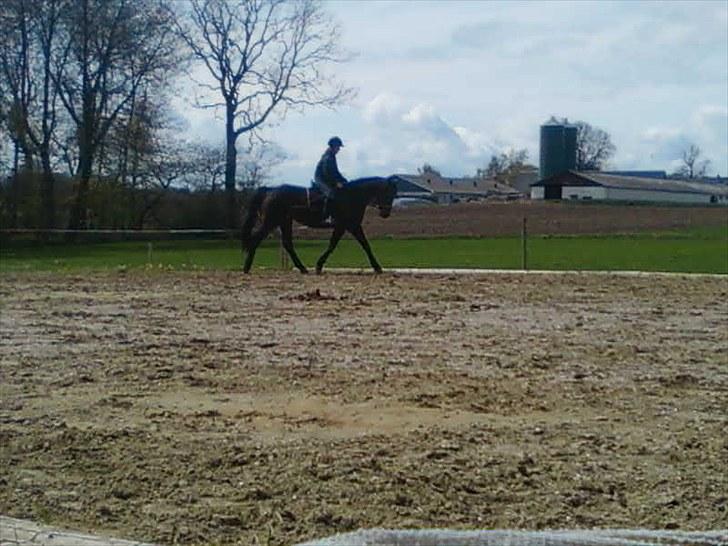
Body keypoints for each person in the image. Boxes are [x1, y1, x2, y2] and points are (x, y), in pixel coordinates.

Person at [313, 136, 347, 221]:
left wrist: (345, 181)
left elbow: (336, 173)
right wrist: (336, 183)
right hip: (321, 179)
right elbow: (327, 174)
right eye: (338, 147)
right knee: (331, 194)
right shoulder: (328, 158)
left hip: (327, 178)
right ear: (333, 146)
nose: (339, 149)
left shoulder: (332, 156)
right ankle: (327, 216)